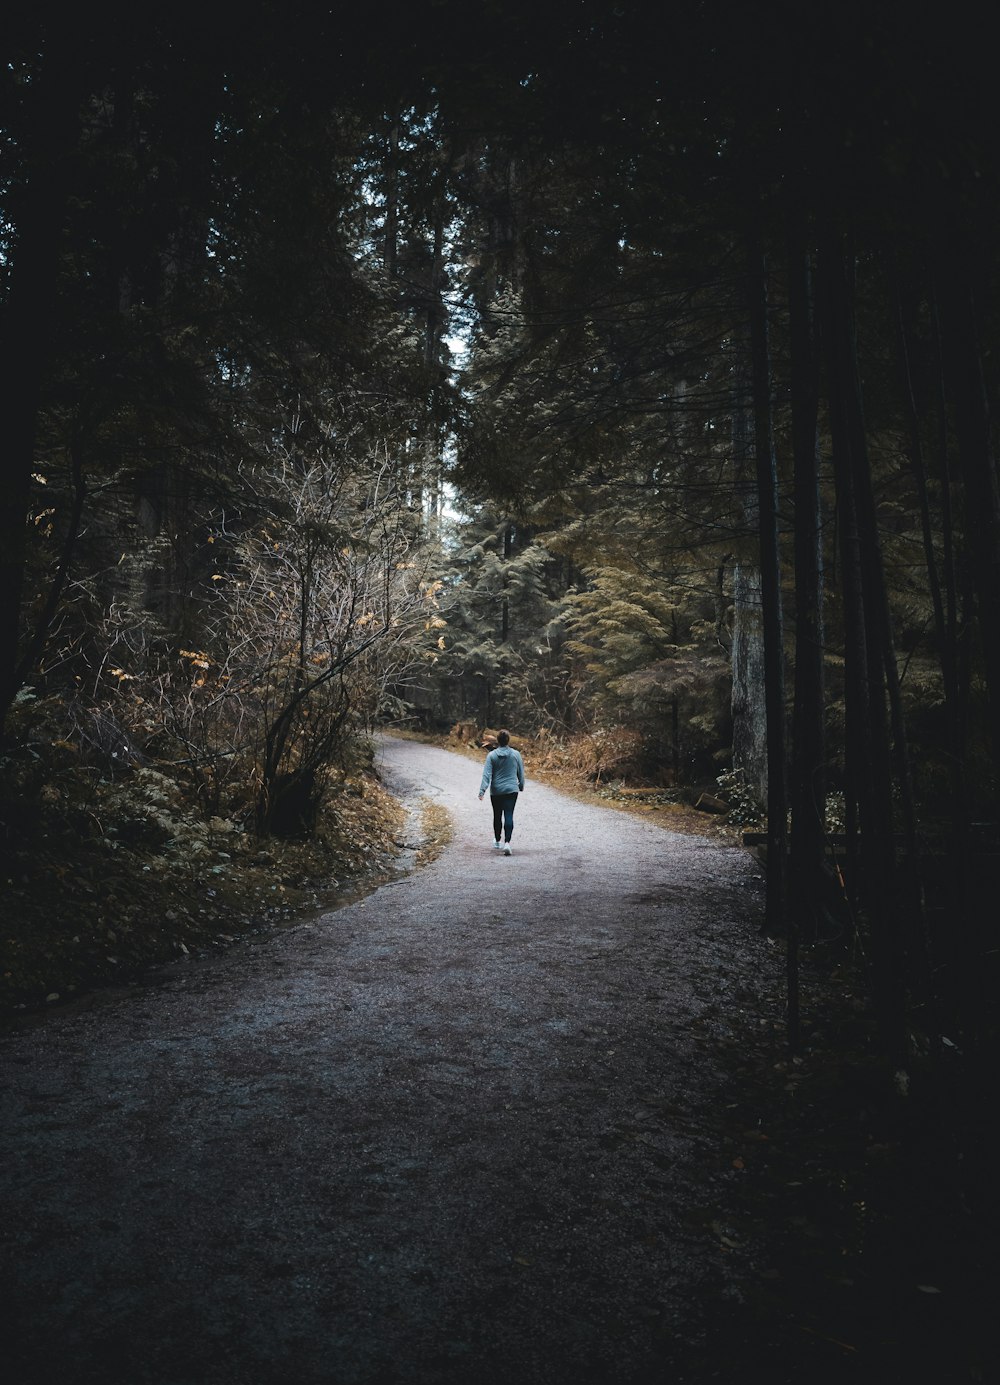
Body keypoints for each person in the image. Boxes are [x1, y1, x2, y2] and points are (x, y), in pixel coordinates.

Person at [478, 729, 525, 855]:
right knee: (509, 814)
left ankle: (498, 841)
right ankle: (507, 843)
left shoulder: (492, 756)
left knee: (497, 815)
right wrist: (521, 785)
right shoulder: (516, 754)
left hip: (496, 791)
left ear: (497, 741)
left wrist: (482, 791)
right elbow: (521, 772)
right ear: (508, 740)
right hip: (511, 790)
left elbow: (486, 775)